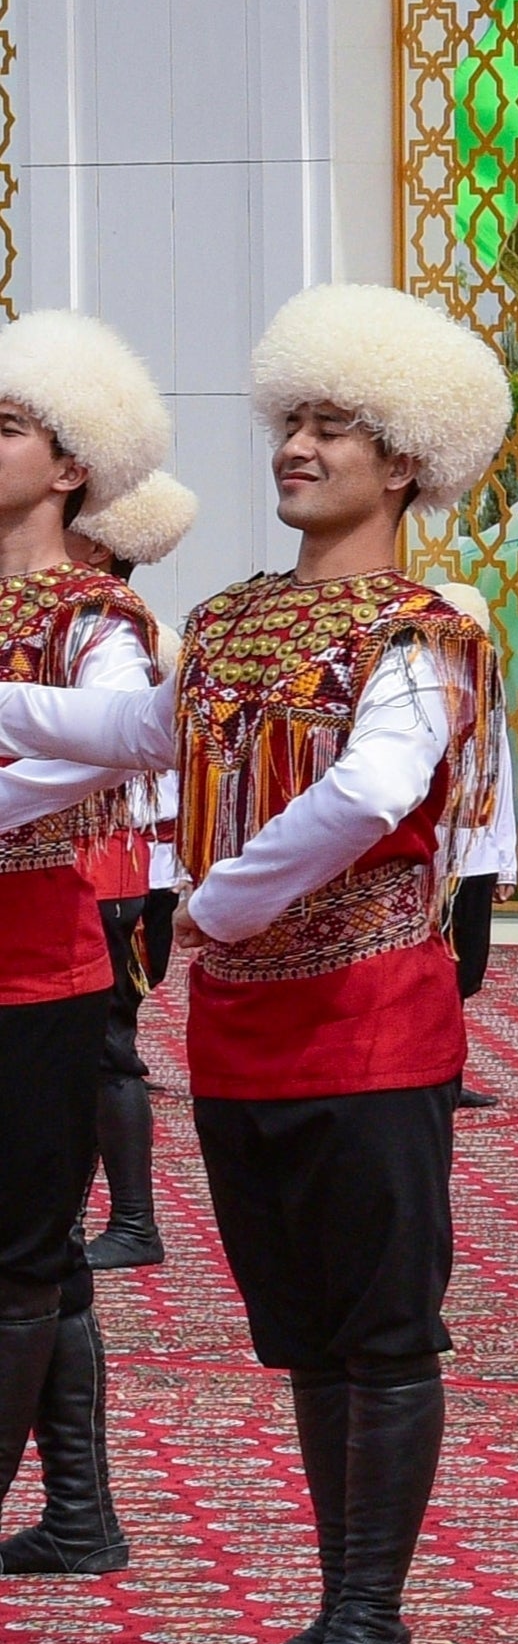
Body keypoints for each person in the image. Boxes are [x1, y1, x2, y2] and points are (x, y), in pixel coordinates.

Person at [0, 284, 510, 1644]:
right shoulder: (228, 620)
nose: (296, 445)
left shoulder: (425, 632)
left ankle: (368, 1619)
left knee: (381, 1325)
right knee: (300, 1329)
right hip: (239, 1030)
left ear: (404, 458)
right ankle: (335, 1610)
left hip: (370, 1014)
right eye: (289, 418)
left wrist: (224, 895)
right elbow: (132, 727)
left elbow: (377, 786)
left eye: (331, 424)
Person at [0, 318, 172, 1581]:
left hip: (35, 966)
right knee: (38, 1246)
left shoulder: (98, 613)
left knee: (22, 1249)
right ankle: (80, 1513)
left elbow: (112, 743)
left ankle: (71, 1510)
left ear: (72, 469)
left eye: (8, 427)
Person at [69, 475, 198, 1279]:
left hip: (114, 866)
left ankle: (135, 1220)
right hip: (116, 863)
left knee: (107, 1048)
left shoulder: (112, 627)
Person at [428, 580, 518, 1112]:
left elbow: (500, 772)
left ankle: (448, 1070)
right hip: (428, 853)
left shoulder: (488, 683)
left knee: (467, 969)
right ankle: (429, 1073)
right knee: (428, 967)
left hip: (476, 852)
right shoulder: (414, 685)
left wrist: (505, 857)